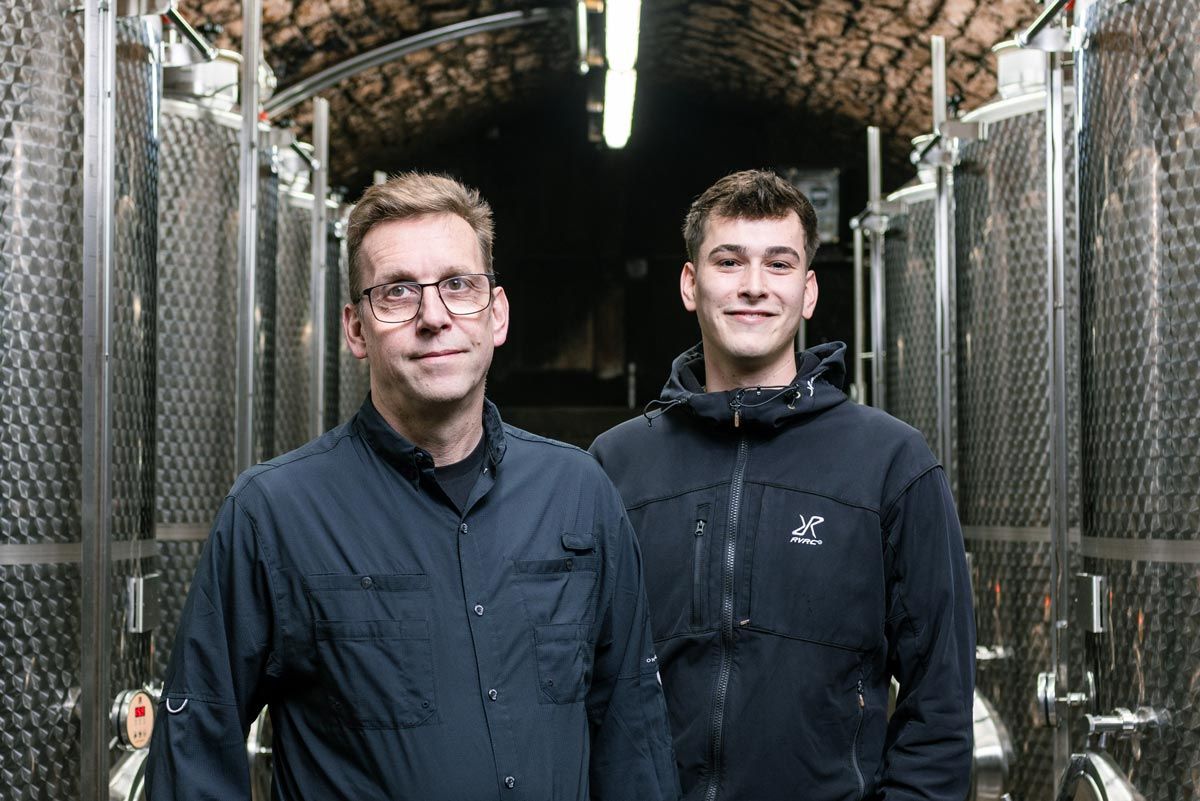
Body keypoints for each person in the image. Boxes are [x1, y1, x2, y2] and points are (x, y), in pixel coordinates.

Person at [146, 172, 679, 801]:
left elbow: (631, 733)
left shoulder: (579, 492)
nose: (434, 316)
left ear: (497, 314)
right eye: (398, 292)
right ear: (354, 329)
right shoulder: (275, 513)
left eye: (458, 285)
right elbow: (195, 753)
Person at [589, 170, 974, 801]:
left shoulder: (890, 462)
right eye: (729, 261)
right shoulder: (616, 465)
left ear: (808, 290)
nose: (753, 287)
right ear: (691, 284)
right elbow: (582, 682)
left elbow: (942, 699)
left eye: (779, 263)